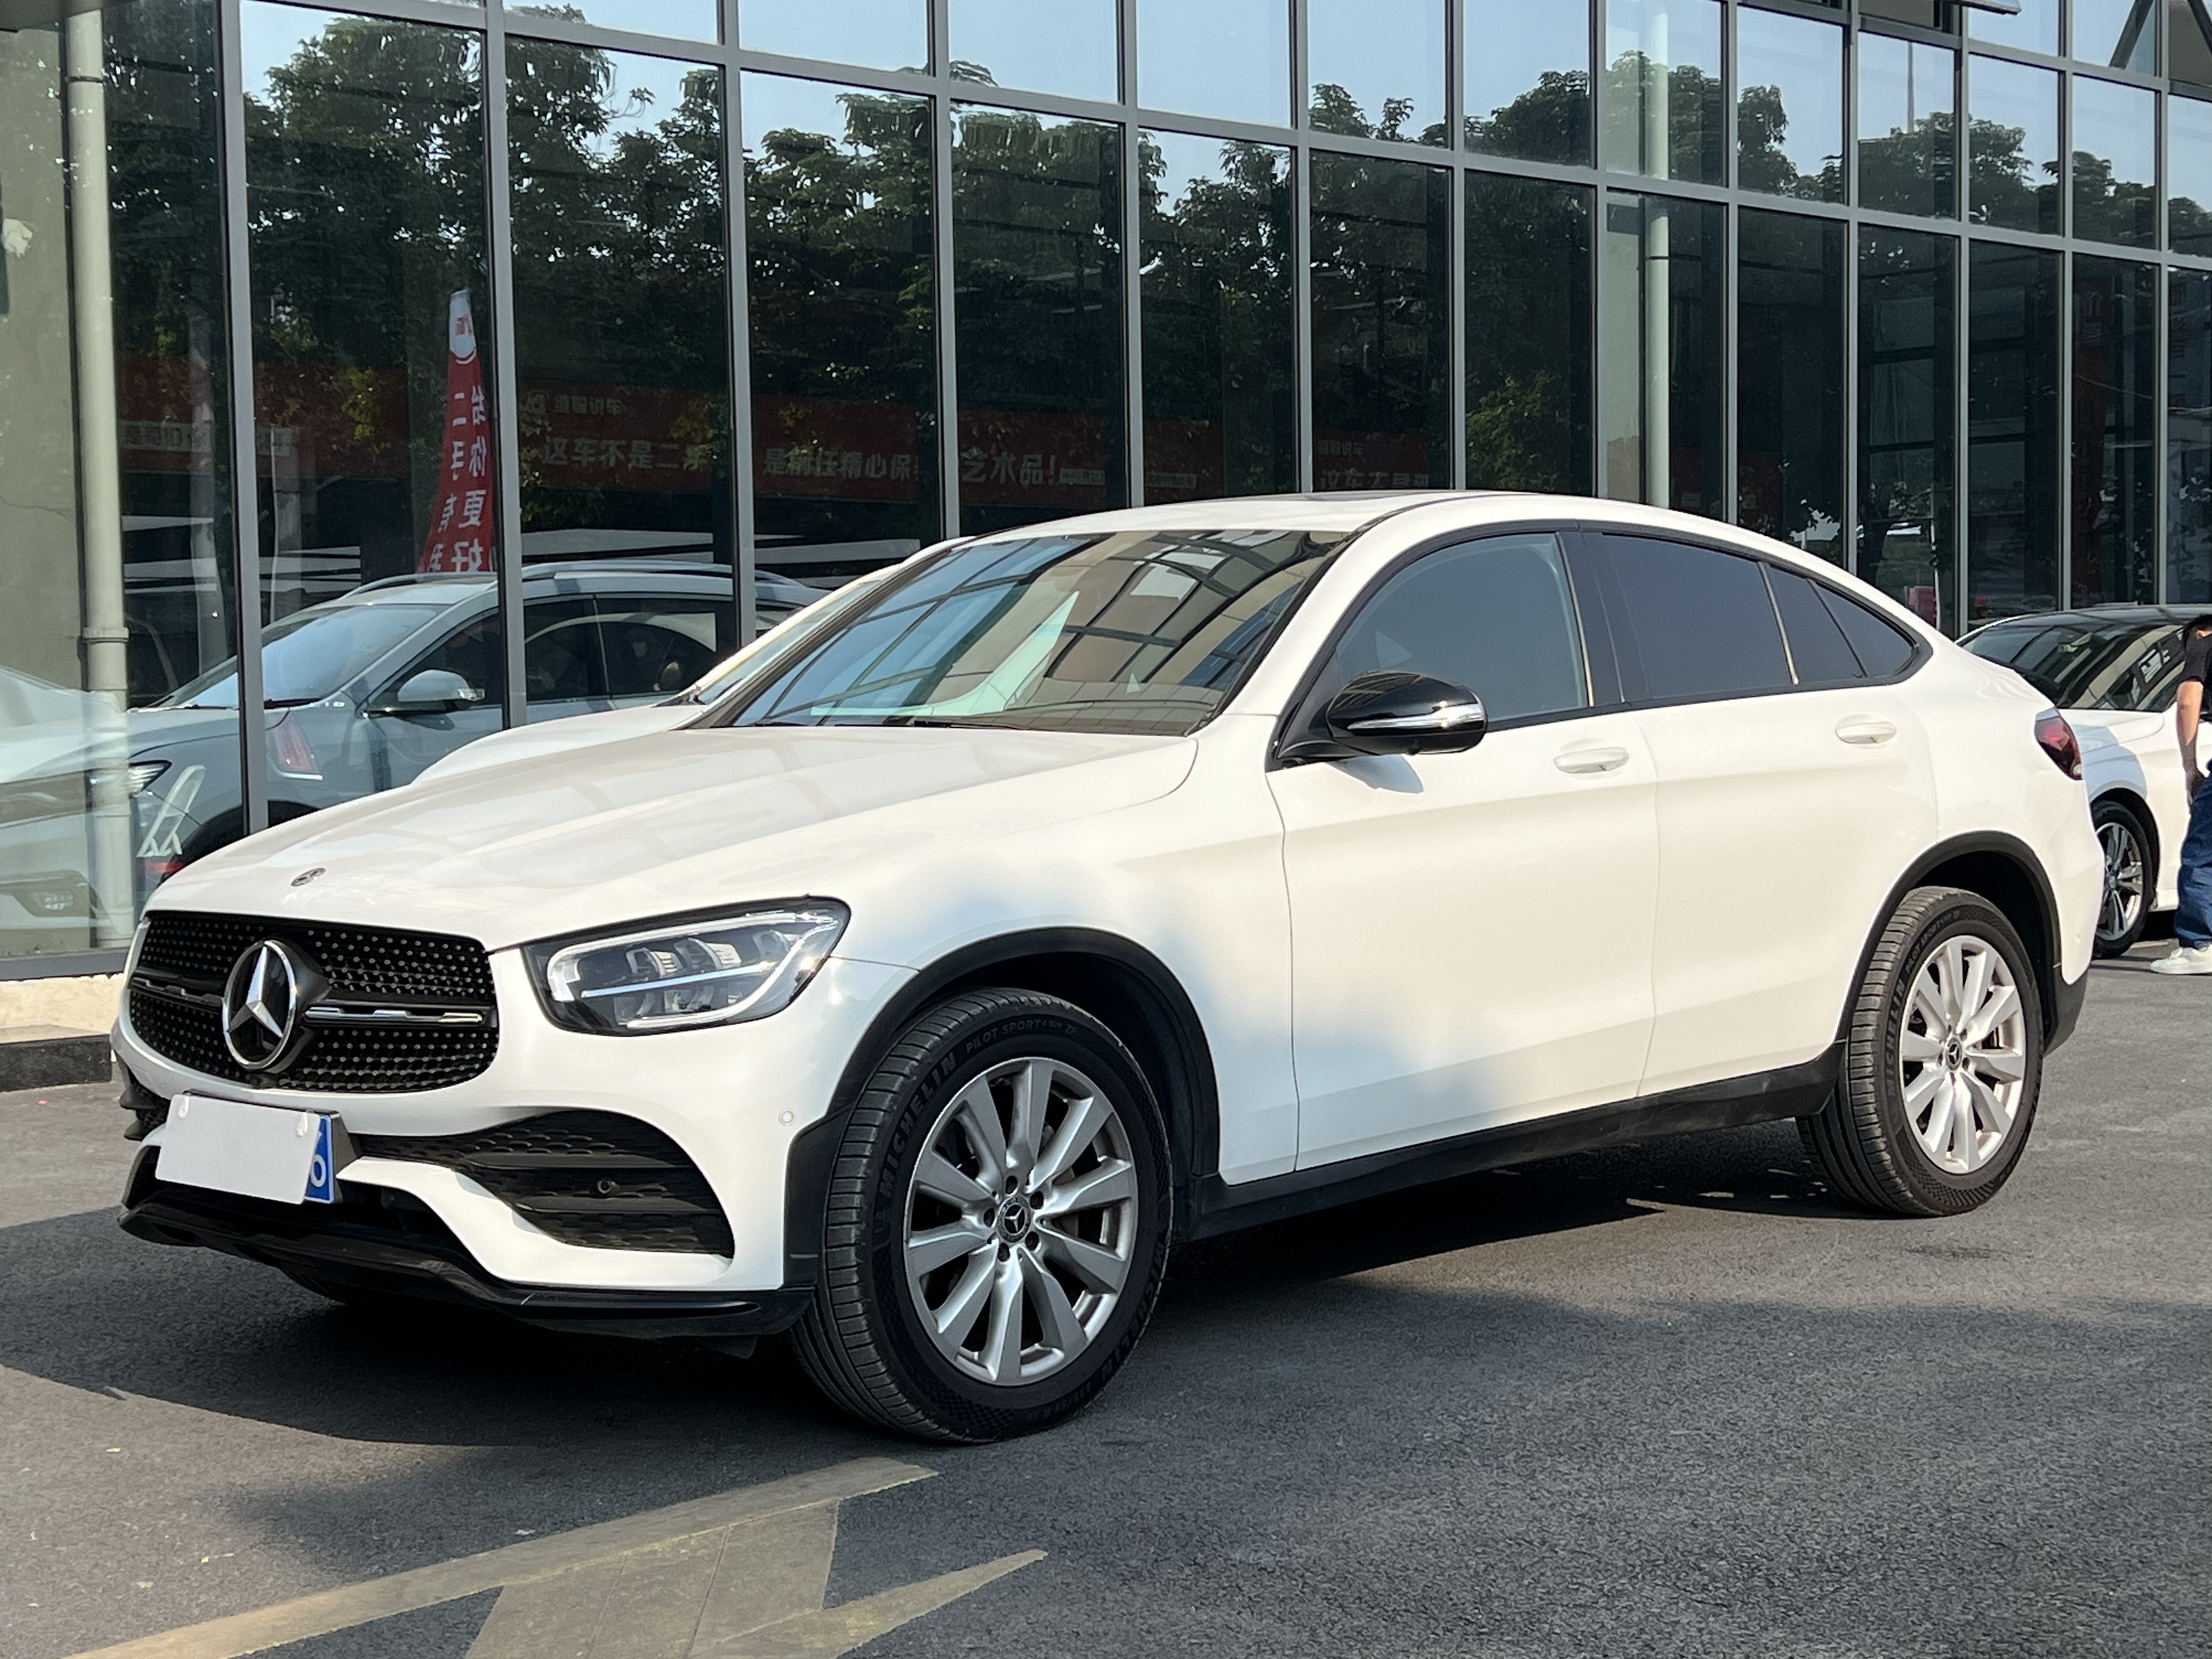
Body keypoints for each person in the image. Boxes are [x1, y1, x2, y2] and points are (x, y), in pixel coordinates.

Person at [2152, 614, 2212, 973]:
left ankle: (2200, 946)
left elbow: (2189, 700)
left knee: (2202, 852)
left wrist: (2189, 767)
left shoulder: (2204, 641)